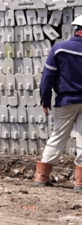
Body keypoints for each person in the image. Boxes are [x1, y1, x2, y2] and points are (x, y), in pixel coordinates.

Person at [35, 15, 82, 189]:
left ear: (75, 29)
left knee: (58, 137)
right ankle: (80, 183)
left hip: (66, 100)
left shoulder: (60, 49)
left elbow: (48, 77)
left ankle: (42, 177)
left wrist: (45, 99)